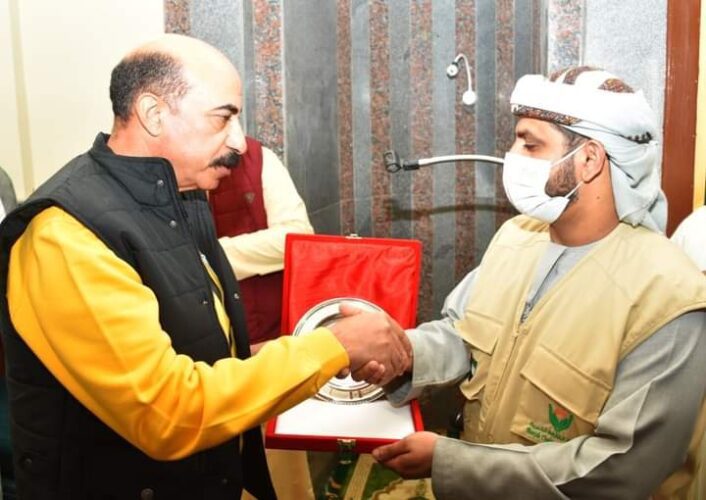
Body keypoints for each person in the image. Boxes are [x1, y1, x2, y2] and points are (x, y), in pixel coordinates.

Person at [0, 34, 410, 499]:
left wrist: (318, 350)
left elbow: (203, 355)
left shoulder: (179, 202)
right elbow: (166, 413)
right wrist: (333, 346)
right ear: (154, 113)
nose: (238, 141)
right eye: (223, 118)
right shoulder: (65, 234)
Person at [372, 66, 706, 499]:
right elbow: (462, 334)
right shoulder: (517, 237)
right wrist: (399, 353)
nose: (512, 155)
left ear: (589, 160)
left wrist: (452, 463)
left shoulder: (667, 297)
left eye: (530, 144)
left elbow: (621, 469)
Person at [208, 136, 313, 350]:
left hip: (268, 329)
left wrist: (210, 258)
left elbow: (297, 238)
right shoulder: (158, 173)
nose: (237, 140)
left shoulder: (257, 158)